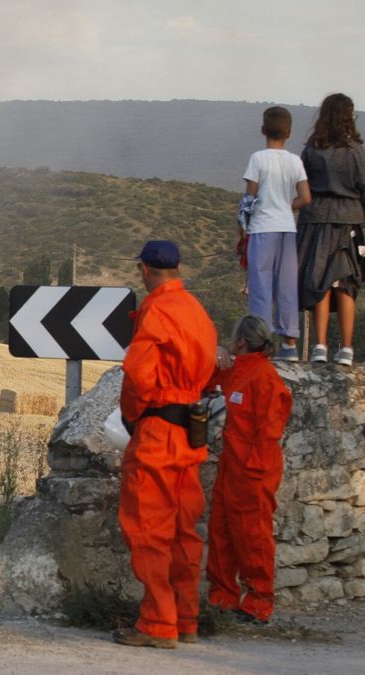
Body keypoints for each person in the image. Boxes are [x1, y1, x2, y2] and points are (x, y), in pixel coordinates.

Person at [113, 240, 217, 649]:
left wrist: (131, 416)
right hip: (190, 435)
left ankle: (158, 624)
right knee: (183, 532)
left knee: (148, 528)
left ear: (144, 269)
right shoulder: (197, 311)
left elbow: (138, 375)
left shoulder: (156, 309)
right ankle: (185, 619)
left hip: (158, 430)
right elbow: (209, 371)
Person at [206, 315, 293, 625]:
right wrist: (215, 357)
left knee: (253, 535)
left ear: (241, 341)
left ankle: (258, 600)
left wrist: (254, 471)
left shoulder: (266, 379)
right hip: (234, 465)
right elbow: (211, 381)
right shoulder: (239, 371)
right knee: (221, 532)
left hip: (254, 469)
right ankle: (223, 595)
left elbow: (270, 431)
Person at [297, 93, 365, 366]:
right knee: (345, 284)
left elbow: (303, 186)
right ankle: (346, 349)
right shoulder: (356, 151)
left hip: (315, 220)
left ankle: (319, 347)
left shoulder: (312, 149)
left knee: (319, 282)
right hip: (349, 220)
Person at [239, 106, 311, 361]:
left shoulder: (258, 158)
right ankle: (289, 344)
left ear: (263, 130)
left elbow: (250, 196)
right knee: (286, 285)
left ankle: (261, 344)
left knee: (260, 286)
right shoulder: (295, 161)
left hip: (262, 228)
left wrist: (242, 227)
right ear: (289, 132)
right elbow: (305, 197)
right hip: (287, 229)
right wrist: (285, 205)